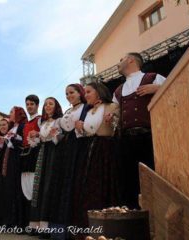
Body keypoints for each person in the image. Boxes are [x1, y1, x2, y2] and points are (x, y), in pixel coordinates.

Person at [112, 52, 166, 209]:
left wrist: (157, 88)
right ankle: (134, 219)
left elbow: (176, 87)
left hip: (149, 137)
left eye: (121, 59)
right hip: (126, 141)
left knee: (152, 178)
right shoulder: (118, 91)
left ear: (130, 60)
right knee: (129, 181)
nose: (118, 63)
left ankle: (156, 218)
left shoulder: (153, 78)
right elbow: (117, 113)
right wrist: (112, 115)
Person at [73, 82, 123, 239]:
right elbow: (87, 133)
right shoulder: (89, 110)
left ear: (99, 92)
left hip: (106, 151)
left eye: (88, 91)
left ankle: (107, 230)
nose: (85, 94)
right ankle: (89, 229)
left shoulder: (112, 106)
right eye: (85, 92)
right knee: (88, 188)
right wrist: (79, 127)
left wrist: (112, 120)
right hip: (90, 151)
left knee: (104, 186)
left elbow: (118, 128)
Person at [49, 84, 89, 240]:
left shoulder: (87, 108)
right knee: (63, 186)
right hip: (66, 151)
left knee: (76, 185)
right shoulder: (67, 112)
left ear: (80, 93)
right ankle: (60, 231)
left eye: (71, 92)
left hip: (81, 149)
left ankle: (76, 231)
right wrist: (56, 135)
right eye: (66, 94)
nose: (68, 96)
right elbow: (63, 134)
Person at [30, 97, 63, 239]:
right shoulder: (43, 122)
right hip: (43, 153)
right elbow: (39, 141)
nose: (47, 106)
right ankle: (36, 225)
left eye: (51, 104)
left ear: (56, 106)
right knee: (39, 186)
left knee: (49, 186)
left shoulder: (60, 120)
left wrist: (54, 135)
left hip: (54, 154)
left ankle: (47, 227)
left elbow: (60, 139)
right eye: (46, 104)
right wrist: (36, 136)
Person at [0, 107, 28, 228]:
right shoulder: (12, 127)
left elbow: (22, 142)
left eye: (11, 112)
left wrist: (11, 139)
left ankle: (16, 221)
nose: (9, 114)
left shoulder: (22, 126)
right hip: (8, 160)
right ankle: (8, 220)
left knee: (14, 190)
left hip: (16, 161)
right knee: (7, 191)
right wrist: (5, 140)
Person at [20, 95, 42, 231]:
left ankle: (37, 224)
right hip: (25, 157)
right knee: (26, 189)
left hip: (35, 156)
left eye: (32, 104)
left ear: (37, 105)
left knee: (35, 189)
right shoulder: (26, 124)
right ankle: (30, 223)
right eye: (27, 104)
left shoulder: (40, 120)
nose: (29, 106)